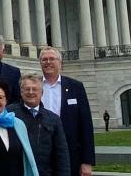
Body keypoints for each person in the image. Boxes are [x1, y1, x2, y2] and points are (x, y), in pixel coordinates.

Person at [39, 47, 95, 176]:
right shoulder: (34, 87)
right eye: (44, 59)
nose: (48, 62)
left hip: (70, 153)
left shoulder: (76, 87)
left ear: (60, 62)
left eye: (52, 59)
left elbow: (86, 125)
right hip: (42, 152)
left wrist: (87, 161)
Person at [7, 73, 70, 176]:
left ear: (42, 92)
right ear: (21, 92)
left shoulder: (53, 119)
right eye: (27, 89)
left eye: (34, 89)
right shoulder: (9, 114)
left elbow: (61, 154)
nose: (31, 92)